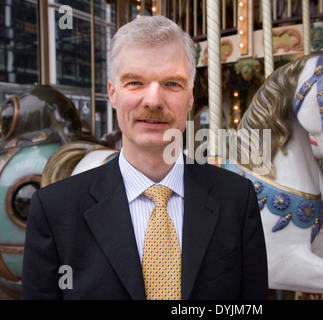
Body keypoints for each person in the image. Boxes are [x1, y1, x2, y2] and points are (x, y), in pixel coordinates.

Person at [21, 15, 268, 300]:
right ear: (113, 94)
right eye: (135, 82)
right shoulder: (55, 211)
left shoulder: (236, 200)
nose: (153, 100)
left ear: (190, 97)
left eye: (172, 84)